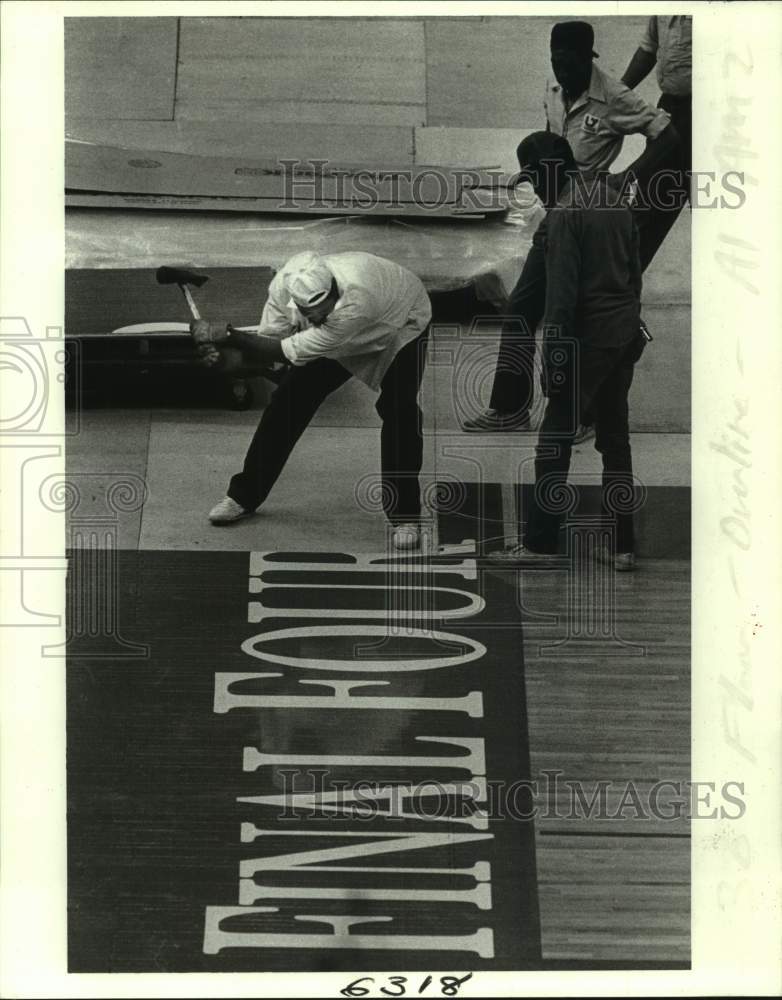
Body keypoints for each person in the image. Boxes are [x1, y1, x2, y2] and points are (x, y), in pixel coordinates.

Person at [463, 20, 675, 435]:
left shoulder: (615, 96)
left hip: (591, 214)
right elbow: (551, 139)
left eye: (569, 63)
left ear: (587, 57)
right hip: (556, 212)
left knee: (581, 315)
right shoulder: (554, 89)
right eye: (555, 62)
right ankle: (509, 408)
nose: (562, 72)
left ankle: (583, 416)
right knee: (522, 306)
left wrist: (625, 178)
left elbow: (668, 137)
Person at [193, 251, 432, 551]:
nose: (320, 317)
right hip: (341, 331)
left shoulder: (358, 303)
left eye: (325, 310)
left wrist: (230, 336)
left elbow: (282, 351)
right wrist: (227, 362)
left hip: (401, 321)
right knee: (289, 400)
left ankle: (405, 516)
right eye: (313, 313)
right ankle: (243, 495)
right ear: (297, 303)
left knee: (400, 409)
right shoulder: (283, 288)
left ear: (336, 290)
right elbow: (271, 350)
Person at [487, 133, 646, 571]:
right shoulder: (613, 199)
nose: (533, 189)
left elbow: (560, 297)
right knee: (616, 442)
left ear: (546, 172)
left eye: (534, 178)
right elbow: (634, 275)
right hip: (622, 334)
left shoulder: (564, 215)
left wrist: (554, 360)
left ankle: (539, 544)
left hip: (586, 340)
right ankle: (622, 546)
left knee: (553, 442)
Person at [621, 15, 692, 265]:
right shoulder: (661, 11)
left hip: (709, 109)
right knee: (648, 204)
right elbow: (648, 50)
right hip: (672, 105)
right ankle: (619, 287)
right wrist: (617, 94)